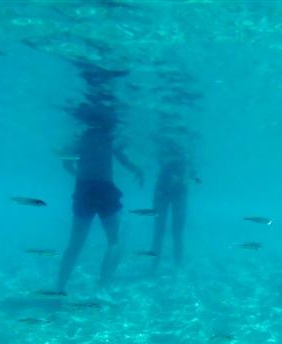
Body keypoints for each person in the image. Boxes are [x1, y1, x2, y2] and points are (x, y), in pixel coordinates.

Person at [56, 65, 143, 297]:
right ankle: (103, 286)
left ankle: (59, 288)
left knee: (75, 244)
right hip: (105, 189)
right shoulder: (109, 137)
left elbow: (65, 160)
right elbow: (123, 158)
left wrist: (79, 176)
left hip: (84, 189)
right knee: (114, 241)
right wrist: (137, 170)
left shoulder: (82, 138)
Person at [150, 141, 196, 271]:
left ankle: (175, 263)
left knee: (172, 231)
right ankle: (164, 263)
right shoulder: (169, 154)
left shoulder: (184, 157)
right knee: (164, 231)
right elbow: (193, 177)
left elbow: (194, 177)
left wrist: (183, 178)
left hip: (171, 192)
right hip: (167, 192)